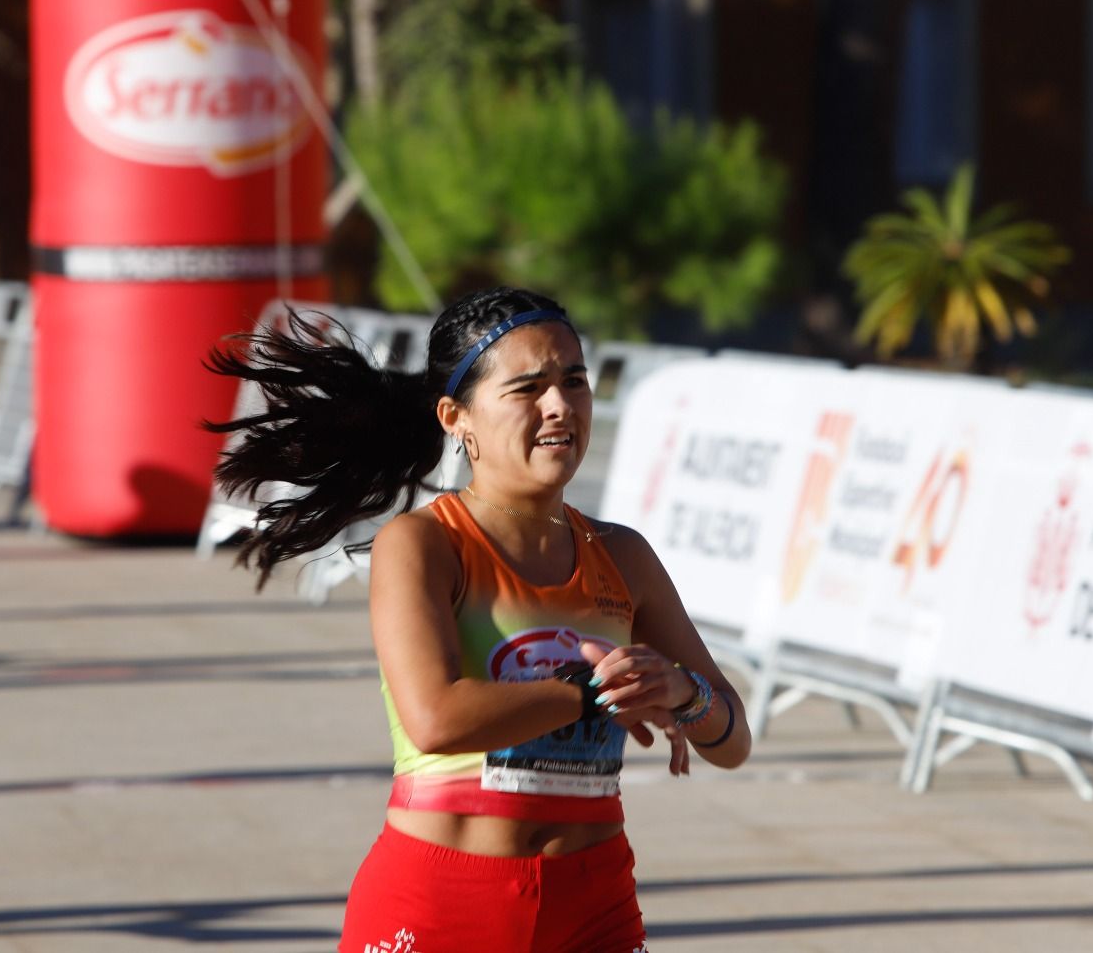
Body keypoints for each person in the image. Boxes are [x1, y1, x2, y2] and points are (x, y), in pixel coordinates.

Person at [207, 286, 751, 953]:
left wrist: (681, 691)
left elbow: (732, 740)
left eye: (574, 381)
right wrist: (595, 693)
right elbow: (436, 719)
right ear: (456, 417)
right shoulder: (423, 544)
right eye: (528, 388)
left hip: (594, 902)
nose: (560, 406)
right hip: (441, 904)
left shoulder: (624, 556)